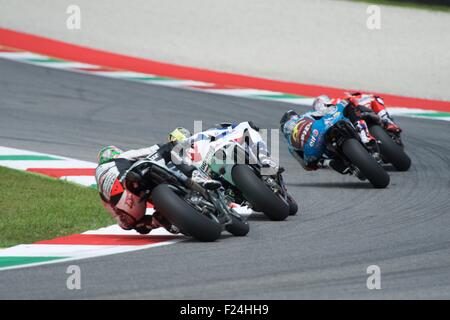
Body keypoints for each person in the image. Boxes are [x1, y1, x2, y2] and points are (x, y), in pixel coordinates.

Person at [95, 138, 221, 235]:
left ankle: (159, 220)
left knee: (141, 226)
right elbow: (151, 150)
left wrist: (127, 220)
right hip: (133, 179)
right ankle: (196, 177)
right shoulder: (121, 158)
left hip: (127, 215)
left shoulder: (101, 189)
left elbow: (114, 212)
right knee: (169, 148)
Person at [279, 95, 375, 174]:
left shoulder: (290, 146)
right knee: (348, 107)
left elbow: (306, 166)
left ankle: (332, 163)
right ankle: (364, 136)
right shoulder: (305, 115)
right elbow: (325, 111)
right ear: (295, 116)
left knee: (314, 162)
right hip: (322, 128)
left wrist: (322, 162)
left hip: (314, 147)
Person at [169, 122, 279, 175]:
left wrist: (239, 127)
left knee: (246, 128)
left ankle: (265, 159)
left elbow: (227, 129)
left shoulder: (203, 134)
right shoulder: (182, 160)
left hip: (222, 148)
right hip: (209, 172)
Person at [330, 92, 402, 133]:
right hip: (350, 121)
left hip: (364, 112)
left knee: (374, 98)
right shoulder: (334, 103)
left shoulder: (357, 98)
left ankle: (388, 121)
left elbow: (373, 98)